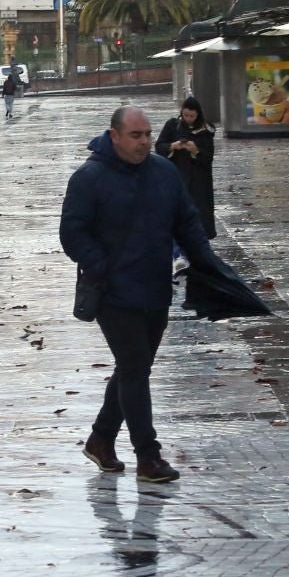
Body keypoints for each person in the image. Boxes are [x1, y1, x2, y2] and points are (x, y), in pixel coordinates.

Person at [60, 105, 232, 483]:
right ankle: (148, 457)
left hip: (155, 287)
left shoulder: (163, 172)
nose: (143, 142)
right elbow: (72, 232)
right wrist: (100, 264)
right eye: (135, 136)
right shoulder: (89, 178)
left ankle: (101, 440)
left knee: (133, 368)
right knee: (136, 367)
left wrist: (208, 265)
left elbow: (186, 221)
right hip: (112, 293)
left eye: (147, 135)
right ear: (114, 135)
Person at [154, 95, 216, 240]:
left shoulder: (206, 130)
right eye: (185, 115)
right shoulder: (172, 125)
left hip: (199, 181)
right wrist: (173, 146)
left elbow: (208, 158)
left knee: (198, 214)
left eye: (192, 116)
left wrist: (195, 150)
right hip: (177, 176)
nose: (188, 118)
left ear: (198, 114)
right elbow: (159, 146)